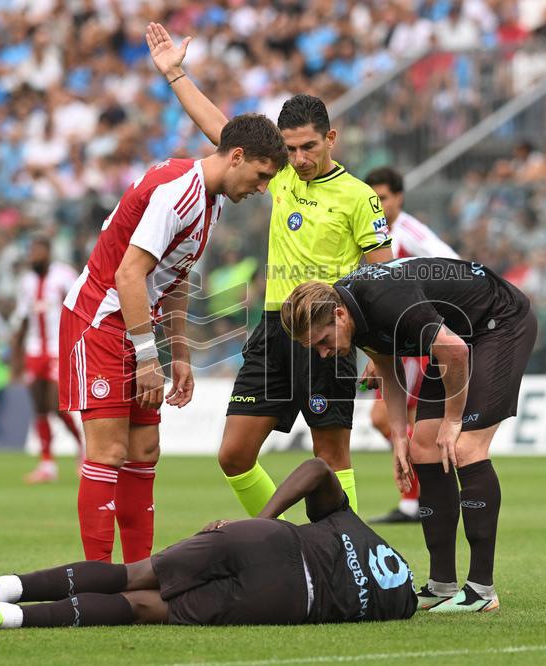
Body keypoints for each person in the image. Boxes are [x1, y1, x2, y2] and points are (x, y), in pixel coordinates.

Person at [147, 23, 394, 518]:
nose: (298, 159)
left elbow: (381, 278)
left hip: (326, 334)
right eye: (290, 148)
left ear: (331, 138)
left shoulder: (359, 196)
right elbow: (221, 131)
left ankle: (348, 559)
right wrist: (176, 75)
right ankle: (287, 541)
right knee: (234, 456)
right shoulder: (278, 173)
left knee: (331, 456)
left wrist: (379, 351)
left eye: (308, 147)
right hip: (273, 330)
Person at [58, 113, 287, 564]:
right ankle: (97, 578)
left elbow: (174, 276)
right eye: (261, 176)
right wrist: (148, 358)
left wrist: (179, 353)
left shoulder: (212, 199)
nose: (262, 189)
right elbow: (128, 274)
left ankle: (138, 573)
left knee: (145, 450)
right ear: (236, 156)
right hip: (100, 320)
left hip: (137, 321)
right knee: (109, 451)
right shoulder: (178, 194)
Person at [281, 257, 537, 613]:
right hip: (456, 336)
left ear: (339, 316)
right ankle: (442, 585)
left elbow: (455, 352)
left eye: (323, 341)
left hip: (498, 325)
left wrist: (452, 421)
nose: (323, 352)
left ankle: (481, 589)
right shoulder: (349, 309)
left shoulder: (385, 300)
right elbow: (387, 363)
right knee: (422, 449)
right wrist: (400, 436)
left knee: (465, 448)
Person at [0, 458, 417, 629]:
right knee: (141, 606)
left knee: (133, 572)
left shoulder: (351, 524)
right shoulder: (399, 602)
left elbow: (316, 470)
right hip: (288, 598)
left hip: (264, 539)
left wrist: (262, 523)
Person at [362, 166, 460, 524]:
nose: (378, 204)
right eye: (372, 198)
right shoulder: (370, 233)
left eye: (383, 197)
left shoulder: (411, 233)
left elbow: (454, 266)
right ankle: (420, 499)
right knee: (389, 421)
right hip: (391, 342)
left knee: (405, 421)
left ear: (399, 198)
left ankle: (423, 499)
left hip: (415, 342)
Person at [10, 236, 82, 484]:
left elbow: (80, 307)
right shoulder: (26, 282)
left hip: (57, 350)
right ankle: (47, 464)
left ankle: (82, 449)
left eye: (38, 251)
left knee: (57, 405)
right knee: (39, 407)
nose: (34, 256)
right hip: (34, 350)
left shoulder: (64, 275)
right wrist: (16, 358)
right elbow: (22, 318)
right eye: (31, 251)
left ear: (48, 252)